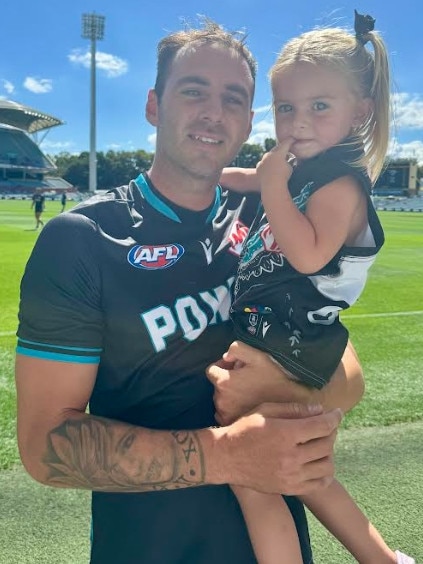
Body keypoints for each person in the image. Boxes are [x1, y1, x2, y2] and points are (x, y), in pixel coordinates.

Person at [16, 20, 364, 564]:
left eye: (234, 99)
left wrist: (280, 386)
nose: (213, 112)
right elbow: (44, 449)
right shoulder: (81, 241)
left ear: (250, 122)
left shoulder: (269, 218)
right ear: (154, 105)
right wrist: (228, 457)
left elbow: (349, 378)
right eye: (193, 90)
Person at [215, 11, 414, 564]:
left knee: (254, 477)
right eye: (286, 108)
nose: (298, 123)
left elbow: (306, 254)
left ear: (360, 113)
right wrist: (212, 176)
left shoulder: (340, 184)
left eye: (318, 107)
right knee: (303, 470)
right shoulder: (296, 167)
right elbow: (247, 178)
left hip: (295, 338)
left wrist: (273, 186)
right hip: (278, 333)